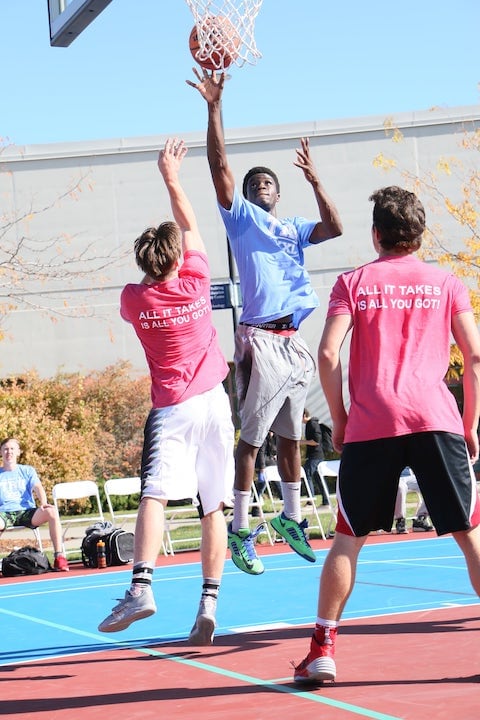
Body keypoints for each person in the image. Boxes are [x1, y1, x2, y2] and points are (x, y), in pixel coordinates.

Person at [294, 185, 480, 683]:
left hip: (373, 423)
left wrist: (339, 417)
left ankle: (323, 650)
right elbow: (476, 357)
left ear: (376, 234)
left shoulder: (352, 283)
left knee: (349, 540)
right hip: (435, 418)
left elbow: (328, 354)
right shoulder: (447, 282)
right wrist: (470, 425)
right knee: (470, 535)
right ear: (419, 236)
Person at [188, 69, 343, 575]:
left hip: (294, 341)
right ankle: (237, 531)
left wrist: (316, 179)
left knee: (292, 439)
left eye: (269, 181)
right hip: (261, 338)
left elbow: (336, 227)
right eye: (256, 182)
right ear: (249, 195)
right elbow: (218, 165)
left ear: (279, 192)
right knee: (251, 440)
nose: (262, 184)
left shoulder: (294, 228)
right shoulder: (242, 218)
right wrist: (214, 108)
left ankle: (291, 517)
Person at [98, 138, 235, 645]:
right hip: (216, 403)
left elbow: (163, 258)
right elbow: (192, 226)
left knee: (154, 494)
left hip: (174, 408)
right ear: (178, 257)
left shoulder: (135, 298)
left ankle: (141, 587)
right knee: (212, 506)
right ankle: (209, 603)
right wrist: (172, 177)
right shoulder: (197, 280)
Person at [0, 437, 69, 571]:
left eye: (12, 449)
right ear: (1, 452)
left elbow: (38, 488)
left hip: (27, 512)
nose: (9, 452)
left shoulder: (27, 471)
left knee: (52, 511)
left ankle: (59, 557)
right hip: (4, 513)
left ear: (18, 452)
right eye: (6, 449)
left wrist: (43, 502)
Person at [301, 409, 333, 505]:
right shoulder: (309, 424)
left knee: (307, 474)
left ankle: (311, 500)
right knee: (318, 478)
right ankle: (326, 501)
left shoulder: (312, 424)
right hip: (315, 455)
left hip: (316, 455)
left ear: (304, 415)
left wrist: (301, 442)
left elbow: (316, 441)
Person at [393, 467, 433, 533]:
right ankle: (400, 521)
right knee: (400, 487)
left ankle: (420, 519)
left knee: (432, 483)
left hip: (411, 476)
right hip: (395, 477)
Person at [251, 430, 279, 518]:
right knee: (261, 487)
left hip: (272, 464)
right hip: (264, 465)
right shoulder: (264, 438)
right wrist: (262, 467)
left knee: (278, 484)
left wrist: (275, 455)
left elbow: (274, 450)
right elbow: (261, 452)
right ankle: (255, 508)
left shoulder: (274, 438)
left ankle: (286, 502)